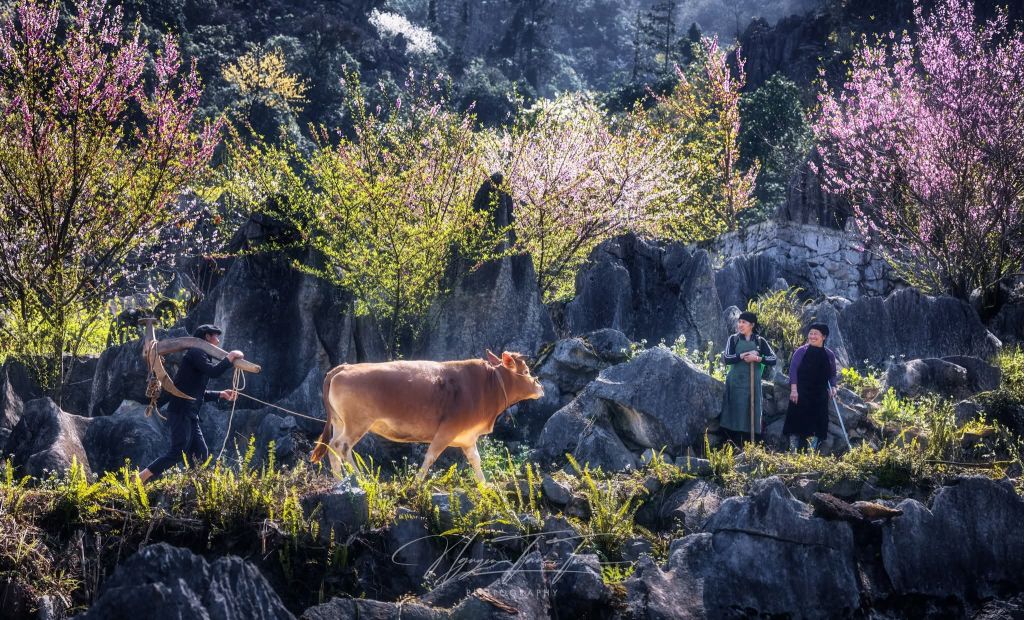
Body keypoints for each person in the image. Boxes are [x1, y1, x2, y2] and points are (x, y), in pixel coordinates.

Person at [139, 324, 244, 483]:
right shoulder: (196, 353)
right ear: (207, 337)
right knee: (177, 451)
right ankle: (141, 477)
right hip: (181, 411)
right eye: (216, 335)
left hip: (189, 413)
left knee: (201, 453)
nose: (218, 340)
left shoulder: (201, 355)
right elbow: (214, 372)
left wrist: (221, 394)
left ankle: (195, 485)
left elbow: (196, 393)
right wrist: (229, 358)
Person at [719, 311, 777, 445]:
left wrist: (757, 358)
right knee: (733, 410)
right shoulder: (733, 339)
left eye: (744, 322)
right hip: (735, 382)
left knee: (750, 411)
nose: (740, 325)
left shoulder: (759, 341)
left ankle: (750, 444)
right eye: (739, 322)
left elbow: (773, 359)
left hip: (752, 384)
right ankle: (729, 443)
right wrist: (744, 355)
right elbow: (727, 359)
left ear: (752, 325)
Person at [783, 323, 838, 452]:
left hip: (819, 394)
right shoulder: (801, 351)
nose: (812, 336)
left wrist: (834, 387)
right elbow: (793, 371)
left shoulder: (829, 354)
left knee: (819, 421)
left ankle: (812, 450)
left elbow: (832, 374)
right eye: (811, 333)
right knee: (797, 419)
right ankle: (795, 450)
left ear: (823, 337)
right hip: (801, 392)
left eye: (816, 334)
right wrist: (794, 390)